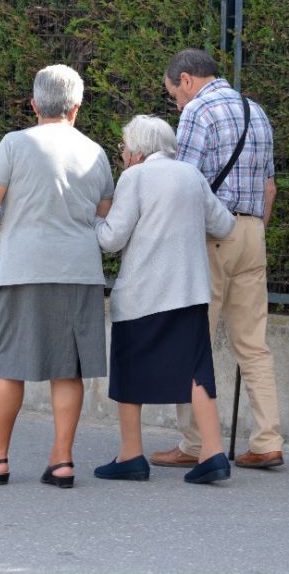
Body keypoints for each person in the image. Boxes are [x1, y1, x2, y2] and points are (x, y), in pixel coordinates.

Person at [0, 64, 114, 488]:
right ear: (77, 108)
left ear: (33, 104)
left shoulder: (14, 144)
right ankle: (62, 462)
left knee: (10, 367)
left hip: (23, 269)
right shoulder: (96, 152)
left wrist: (6, 227)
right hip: (80, 272)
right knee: (69, 369)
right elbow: (105, 219)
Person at [150, 48, 285, 470]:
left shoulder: (196, 113)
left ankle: (193, 443)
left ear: (187, 80)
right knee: (254, 346)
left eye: (175, 94)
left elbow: (183, 184)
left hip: (210, 236)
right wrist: (252, 229)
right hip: (252, 234)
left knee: (193, 342)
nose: (177, 104)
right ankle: (267, 441)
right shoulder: (256, 111)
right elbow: (269, 188)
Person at [92, 115, 235, 484]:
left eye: (124, 147)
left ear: (138, 151)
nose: (122, 154)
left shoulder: (135, 177)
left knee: (128, 368)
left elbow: (112, 239)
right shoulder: (190, 173)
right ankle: (213, 452)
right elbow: (224, 225)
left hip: (144, 292)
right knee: (196, 370)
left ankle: (130, 455)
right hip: (190, 291)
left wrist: (90, 222)